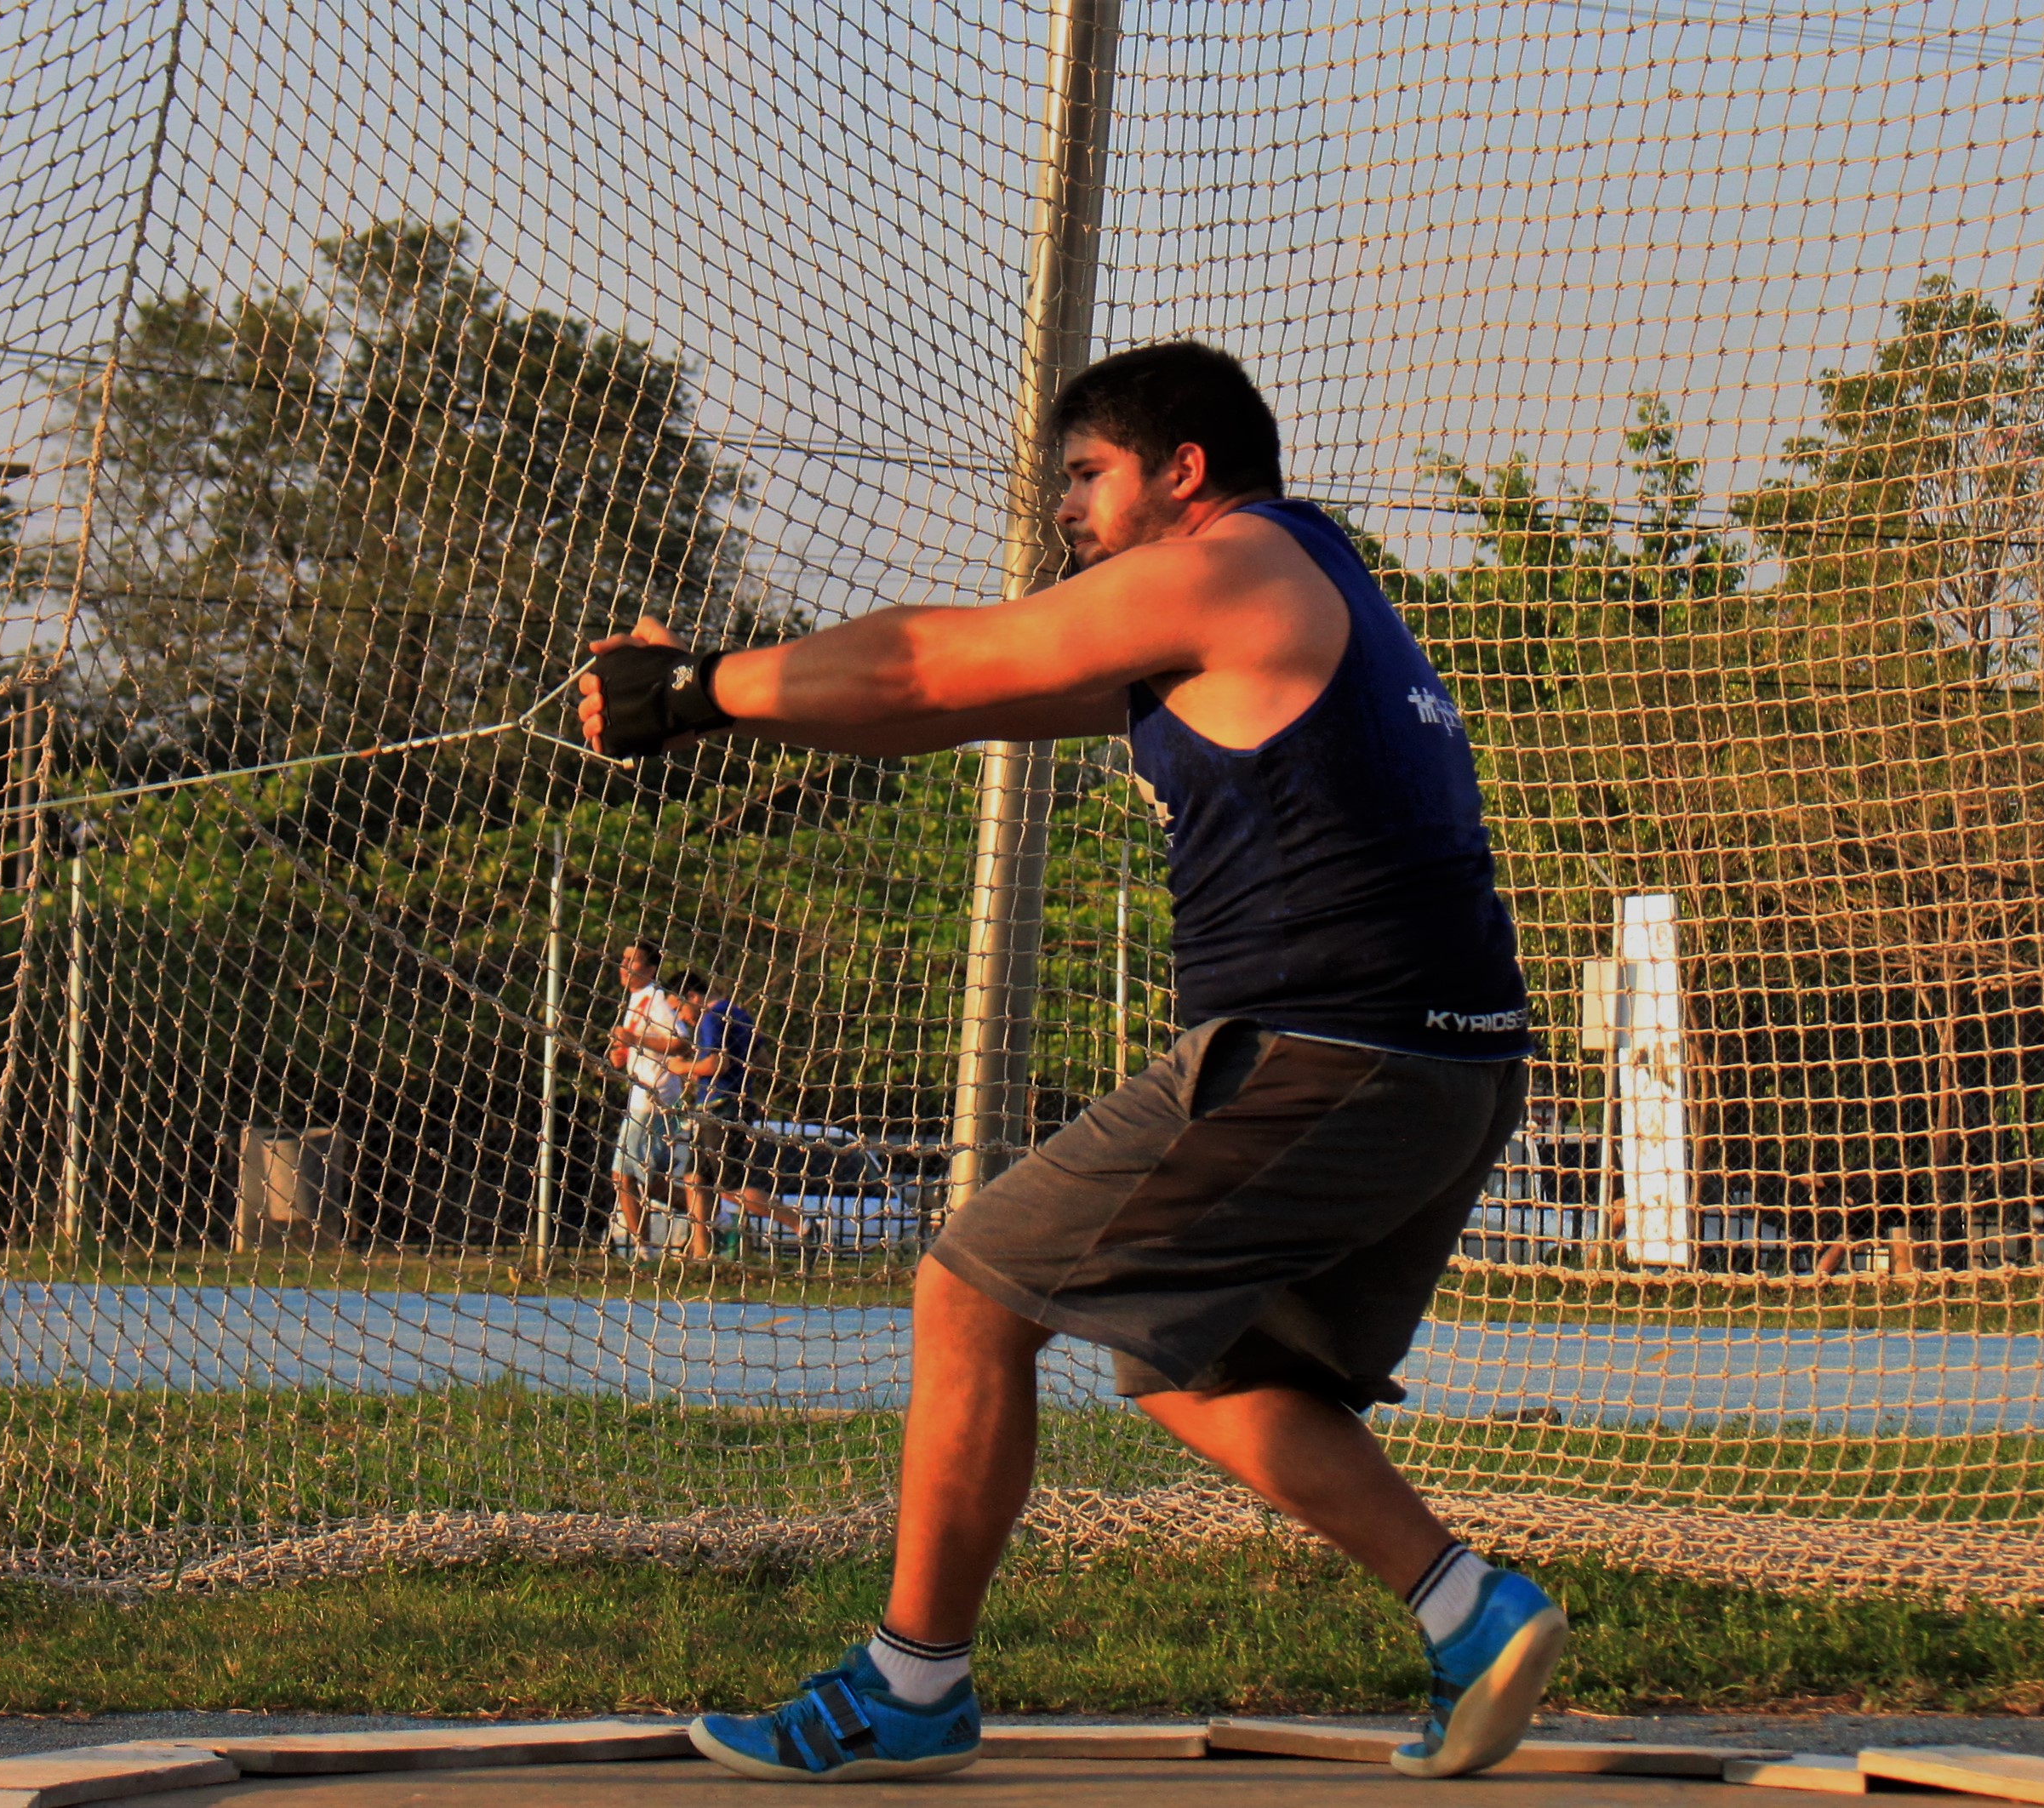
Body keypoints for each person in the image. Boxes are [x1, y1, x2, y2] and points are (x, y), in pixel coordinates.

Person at [580, 341, 1556, 1784]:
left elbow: (922, 654)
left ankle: (912, 1687)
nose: (1065, 515)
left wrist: (702, 685)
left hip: (1315, 1052)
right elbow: (943, 702)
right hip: (1449, 1071)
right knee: (1194, 1362)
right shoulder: (1298, 587)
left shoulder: (1219, 566)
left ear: (1183, 472)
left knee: (969, 1289)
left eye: (1086, 479)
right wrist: (710, 698)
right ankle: (1475, 1617)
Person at [669, 974, 809, 1246]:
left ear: (693, 996)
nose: (682, 1017)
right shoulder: (739, 1014)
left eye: (680, 1009)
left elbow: (716, 1065)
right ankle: (701, 1252)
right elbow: (763, 1060)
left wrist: (683, 1068)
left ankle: (801, 1225)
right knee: (695, 1178)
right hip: (732, 1104)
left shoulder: (711, 1018)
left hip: (721, 1108)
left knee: (731, 1188)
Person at [605, 939, 688, 1257]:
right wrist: (622, 1056)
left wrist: (635, 1038)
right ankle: (712, 1214)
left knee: (624, 1175)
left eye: (633, 960)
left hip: (655, 1100)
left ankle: (644, 1248)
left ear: (651, 969)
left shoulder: (655, 999)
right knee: (643, 1179)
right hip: (641, 1097)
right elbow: (642, 1048)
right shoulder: (635, 1000)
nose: (625, 965)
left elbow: (681, 1043)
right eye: (623, 958)